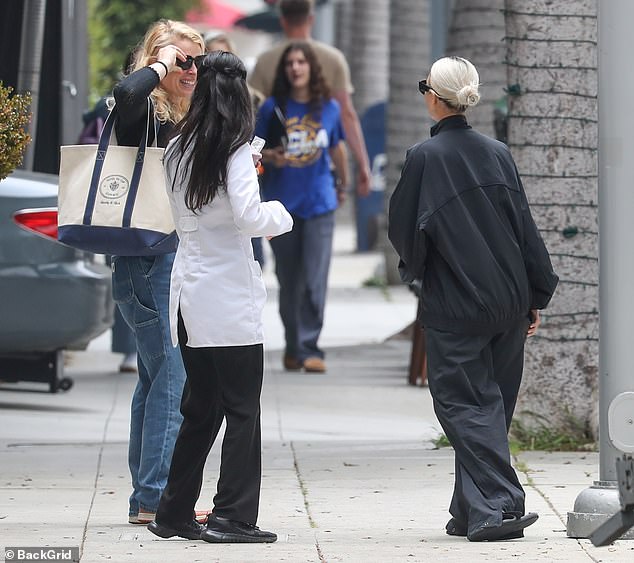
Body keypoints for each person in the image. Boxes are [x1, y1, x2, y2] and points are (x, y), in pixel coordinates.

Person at [388, 56, 559, 542]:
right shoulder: (498, 153)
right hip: (508, 300)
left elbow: (404, 229)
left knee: (464, 405)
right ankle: (471, 508)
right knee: (491, 406)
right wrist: (535, 293)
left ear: (433, 98)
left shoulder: (424, 157)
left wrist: (418, 276)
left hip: (456, 303)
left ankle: (497, 508)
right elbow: (523, 226)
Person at [147, 50, 292, 543]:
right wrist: (282, 214)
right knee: (242, 407)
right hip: (228, 295)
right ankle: (233, 516)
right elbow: (251, 218)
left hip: (188, 290)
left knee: (201, 406)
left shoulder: (179, 145)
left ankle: (173, 513)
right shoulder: (233, 149)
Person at [110, 19, 207, 526]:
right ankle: (157, 498)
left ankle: (145, 497)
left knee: (154, 379)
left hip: (159, 257)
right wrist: (160, 63)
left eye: (197, 59)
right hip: (149, 259)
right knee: (172, 377)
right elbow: (125, 92)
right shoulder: (143, 110)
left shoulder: (184, 116)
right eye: (180, 60)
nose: (190, 69)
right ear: (157, 60)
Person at [254, 41, 348, 374]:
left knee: (314, 279)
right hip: (282, 207)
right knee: (289, 279)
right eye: (290, 63)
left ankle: (311, 347)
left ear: (311, 68)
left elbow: (336, 149)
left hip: (319, 203)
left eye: (301, 62)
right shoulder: (271, 108)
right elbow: (252, 152)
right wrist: (270, 157)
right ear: (284, 70)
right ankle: (293, 345)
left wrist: (343, 182)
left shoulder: (329, 108)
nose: (296, 68)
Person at [249, 0, 370, 199]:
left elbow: (252, 111)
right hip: (316, 169)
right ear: (311, 19)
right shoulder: (333, 59)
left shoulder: (266, 60)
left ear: (283, 21)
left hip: (276, 167)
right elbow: (346, 115)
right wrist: (363, 164)